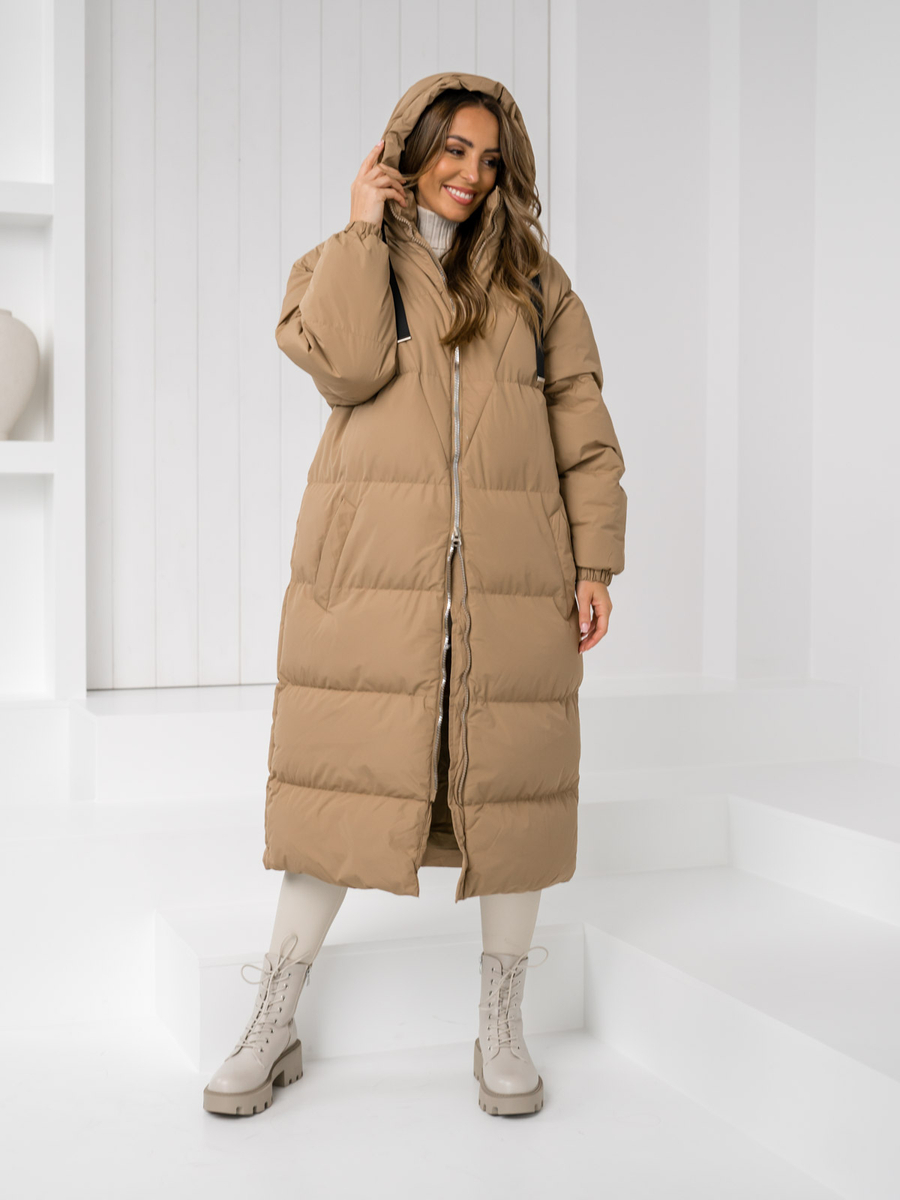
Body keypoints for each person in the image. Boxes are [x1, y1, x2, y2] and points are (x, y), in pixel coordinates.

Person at [203, 71, 627, 1119]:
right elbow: (344, 369)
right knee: (337, 787)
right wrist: (364, 231)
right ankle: (273, 1017)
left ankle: (502, 1025)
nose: (470, 175)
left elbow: (582, 422)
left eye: (490, 159)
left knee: (513, 793)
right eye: (454, 151)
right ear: (412, 147)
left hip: (513, 572)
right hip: (369, 575)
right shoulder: (342, 262)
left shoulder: (537, 282)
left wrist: (593, 561)